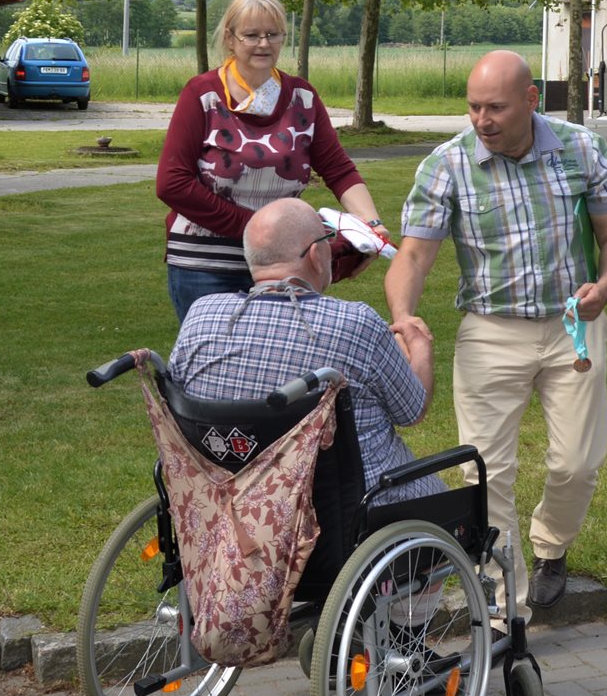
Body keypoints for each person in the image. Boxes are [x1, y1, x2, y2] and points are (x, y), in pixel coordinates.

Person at [385, 50, 607, 612]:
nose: (482, 120)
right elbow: (414, 255)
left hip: (573, 326)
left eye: (495, 107)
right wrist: (404, 314)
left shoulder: (581, 149)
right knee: (485, 473)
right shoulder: (446, 165)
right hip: (490, 332)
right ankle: (504, 608)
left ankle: (552, 546)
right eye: (473, 107)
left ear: (530, 99)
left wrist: (606, 287)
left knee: (577, 463)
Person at [170, 198, 438, 505]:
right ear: (315, 255)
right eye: (327, 241)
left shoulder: (201, 314)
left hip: (229, 502)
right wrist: (420, 347)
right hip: (346, 507)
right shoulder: (355, 323)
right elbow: (412, 411)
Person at [156, 0, 386, 320]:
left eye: (273, 34)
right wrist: (262, 231)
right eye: (251, 35)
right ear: (230, 38)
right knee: (214, 352)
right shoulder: (202, 94)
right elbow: (172, 184)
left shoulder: (302, 97)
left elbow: (338, 169)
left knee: (281, 352)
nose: (264, 44)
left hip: (284, 265)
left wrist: (372, 225)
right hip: (208, 265)